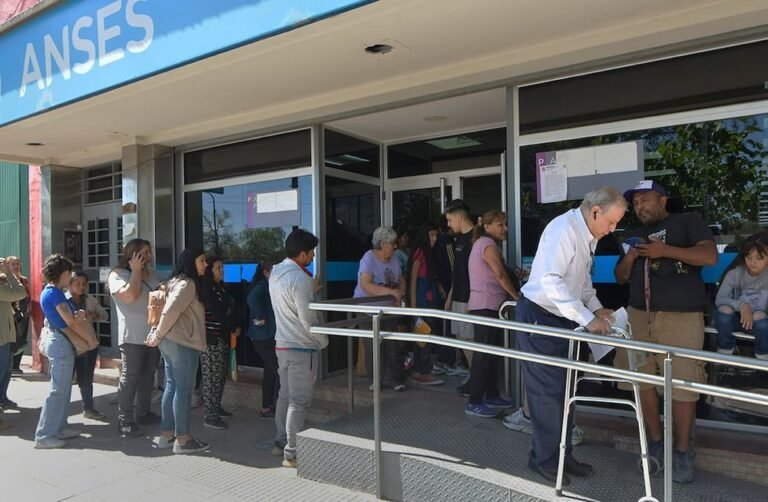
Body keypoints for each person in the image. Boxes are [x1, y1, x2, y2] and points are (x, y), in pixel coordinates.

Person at [516, 186, 626, 484]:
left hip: (562, 319)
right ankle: (543, 459)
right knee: (547, 394)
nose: (612, 230)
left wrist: (599, 310)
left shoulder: (587, 235)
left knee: (567, 393)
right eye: (612, 222)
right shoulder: (563, 228)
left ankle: (562, 456)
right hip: (540, 317)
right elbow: (550, 281)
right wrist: (587, 319)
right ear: (595, 211)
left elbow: (582, 286)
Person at [614, 179, 717, 484]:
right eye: (634, 203)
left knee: (683, 383)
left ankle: (683, 450)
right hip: (638, 316)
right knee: (641, 379)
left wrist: (664, 250)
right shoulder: (633, 236)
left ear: (662, 200)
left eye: (645, 200)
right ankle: (656, 444)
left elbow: (709, 257)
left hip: (682, 317)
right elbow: (620, 277)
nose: (639, 207)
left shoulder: (687, 222)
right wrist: (632, 256)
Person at [271, 229, 325, 468]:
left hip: (282, 344)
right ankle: (292, 453)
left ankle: (281, 442)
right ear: (302, 254)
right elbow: (307, 318)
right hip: (302, 346)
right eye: (311, 252)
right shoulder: (300, 278)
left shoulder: (276, 273)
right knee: (298, 401)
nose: (313, 256)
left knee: (285, 396)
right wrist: (323, 341)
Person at [146, 248, 209, 454]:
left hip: (170, 341)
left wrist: (157, 334)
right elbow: (170, 310)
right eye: (202, 261)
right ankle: (183, 439)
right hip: (182, 342)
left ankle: (167, 435)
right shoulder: (187, 284)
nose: (205, 265)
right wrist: (157, 334)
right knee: (183, 390)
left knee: (172, 386)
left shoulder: (173, 281)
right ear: (191, 262)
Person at [464, 210, 519, 417]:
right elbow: (500, 275)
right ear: (487, 227)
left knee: (491, 353)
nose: (504, 229)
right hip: (485, 305)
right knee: (484, 355)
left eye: (505, 224)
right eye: (499, 224)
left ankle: (491, 394)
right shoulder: (487, 245)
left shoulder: (486, 244)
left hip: (490, 305)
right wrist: (516, 297)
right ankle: (474, 401)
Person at [34, 254, 91, 448]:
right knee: (59, 390)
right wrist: (85, 334)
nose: (71, 277)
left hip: (59, 341)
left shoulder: (52, 292)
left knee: (63, 388)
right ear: (64, 273)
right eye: (69, 273)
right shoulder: (54, 294)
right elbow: (69, 321)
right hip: (60, 342)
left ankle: (59, 427)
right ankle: (44, 435)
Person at [108, 239, 162, 437]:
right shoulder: (118, 275)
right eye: (144, 252)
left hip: (153, 334)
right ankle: (125, 420)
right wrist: (136, 271)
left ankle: (144, 412)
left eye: (149, 252)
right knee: (130, 377)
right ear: (133, 254)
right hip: (132, 335)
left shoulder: (153, 273)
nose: (148, 256)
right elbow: (130, 296)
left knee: (149, 374)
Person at [354, 226, 408, 392]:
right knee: (373, 346)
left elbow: (401, 280)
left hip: (388, 310)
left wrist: (401, 294)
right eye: (392, 243)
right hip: (367, 310)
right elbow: (366, 284)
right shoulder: (368, 258)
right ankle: (375, 380)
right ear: (383, 244)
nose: (395, 246)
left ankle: (393, 378)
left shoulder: (394, 259)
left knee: (391, 344)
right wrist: (390, 292)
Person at [715, 231, 768, 360]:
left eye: (759, 258)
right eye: (748, 257)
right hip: (736, 321)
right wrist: (742, 305)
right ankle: (725, 350)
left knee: (759, 317)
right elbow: (720, 299)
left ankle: (763, 355)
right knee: (724, 310)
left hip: (762, 323)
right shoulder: (736, 272)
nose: (753, 262)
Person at [200, 256, 239, 430]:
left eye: (222, 267)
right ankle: (210, 415)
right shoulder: (207, 289)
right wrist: (232, 326)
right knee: (211, 377)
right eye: (218, 268)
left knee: (221, 375)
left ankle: (216, 407)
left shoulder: (221, 288)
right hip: (211, 338)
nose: (222, 270)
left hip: (222, 337)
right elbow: (217, 313)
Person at [67, 271, 109, 420]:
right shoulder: (63, 300)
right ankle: (61, 413)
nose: (81, 287)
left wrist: (92, 315)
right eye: (77, 283)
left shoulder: (90, 299)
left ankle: (88, 408)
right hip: (68, 345)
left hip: (87, 344)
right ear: (69, 284)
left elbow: (105, 315)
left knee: (86, 378)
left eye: (84, 284)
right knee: (65, 381)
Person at [407, 224, 445, 386]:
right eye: (431, 235)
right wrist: (414, 304)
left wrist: (439, 287)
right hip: (423, 298)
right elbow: (414, 277)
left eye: (436, 235)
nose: (434, 238)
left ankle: (421, 371)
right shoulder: (421, 251)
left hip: (429, 295)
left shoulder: (430, 253)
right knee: (424, 334)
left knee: (424, 333)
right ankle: (423, 372)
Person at [444, 200, 475, 392]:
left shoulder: (476, 238)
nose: (448, 224)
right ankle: (474, 376)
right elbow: (458, 272)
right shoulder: (459, 240)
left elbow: (479, 273)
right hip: (457, 297)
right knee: (460, 337)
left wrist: (473, 298)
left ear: (459, 216)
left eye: (449, 220)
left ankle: (477, 378)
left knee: (470, 339)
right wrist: (449, 297)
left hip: (470, 300)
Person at [247, 261, 279, 419]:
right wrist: (260, 317)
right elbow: (252, 300)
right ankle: (277, 407)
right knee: (279, 371)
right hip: (264, 337)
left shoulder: (267, 285)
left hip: (265, 337)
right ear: (266, 272)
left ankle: (267, 407)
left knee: (270, 372)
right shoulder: (262, 286)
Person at [0, 257, 27, 423]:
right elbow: (20, 292)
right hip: (2, 337)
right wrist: (8, 273)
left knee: (7, 369)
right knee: (2, 370)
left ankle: (2, 399)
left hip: (7, 335)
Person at [7, 256, 30, 375]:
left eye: (17, 264)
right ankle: (9, 365)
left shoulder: (23, 280)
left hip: (23, 313)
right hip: (11, 314)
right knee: (12, 339)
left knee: (22, 338)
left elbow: (28, 295)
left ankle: (16, 365)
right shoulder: (5, 280)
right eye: (13, 264)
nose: (16, 266)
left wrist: (28, 307)